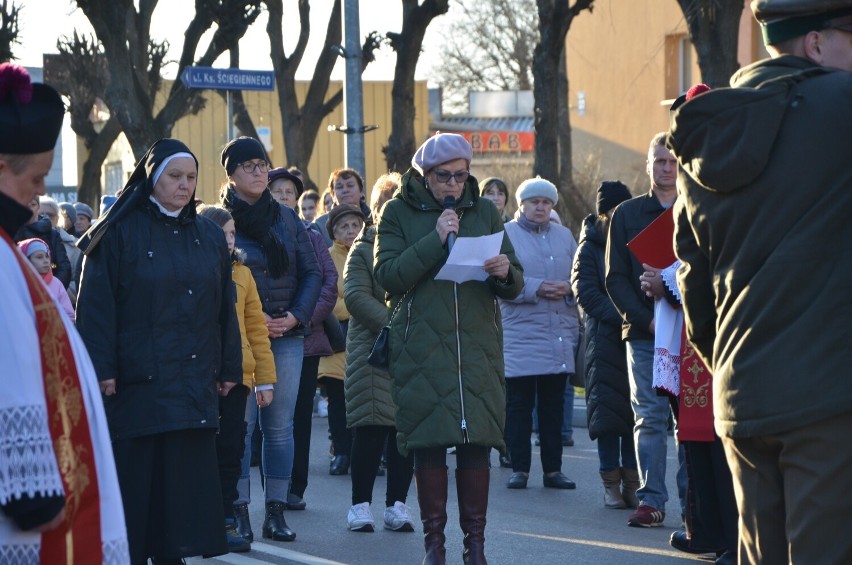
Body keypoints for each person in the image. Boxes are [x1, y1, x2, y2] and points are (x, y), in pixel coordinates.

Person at [668, 2, 852, 562]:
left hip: (742, 394)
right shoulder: (840, 106)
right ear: (816, 44)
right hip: (827, 392)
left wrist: (731, 359)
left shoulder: (709, 128)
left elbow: (693, 285)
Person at [75, 138, 241, 564]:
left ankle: (174, 556)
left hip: (191, 383)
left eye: (191, 177)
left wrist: (228, 367)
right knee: (138, 489)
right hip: (136, 383)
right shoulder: (118, 232)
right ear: (152, 178)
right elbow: (95, 307)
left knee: (182, 494)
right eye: (174, 177)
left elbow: (224, 307)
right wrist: (101, 370)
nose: (184, 186)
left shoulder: (207, 233)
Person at [0, 62, 129, 564]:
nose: (39, 197)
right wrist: (28, 482)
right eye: (34, 179)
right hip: (23, 495)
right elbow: (9, 361)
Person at [374, 132, 523, 564]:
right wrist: (435, 239)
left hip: (477, 347)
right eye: (445, 177)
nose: (454, 186)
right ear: (425, 175)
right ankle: (433, 546)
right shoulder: (396, 213)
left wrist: (502, 271)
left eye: (461, 176)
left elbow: (516, 281)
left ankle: (475, 546)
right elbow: (387, 276)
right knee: (429, 441)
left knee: (478, 443)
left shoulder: (486, 213)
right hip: (421, 348)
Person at [219, 137, 321, 544]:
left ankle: (275, 513)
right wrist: (251, 317)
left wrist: (296, 315)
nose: (259, 172)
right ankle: (239, 511)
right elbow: (216, 276)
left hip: (287, 333)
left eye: (263, 164)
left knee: (279, 427)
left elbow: (312, 273)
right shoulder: (218, 218)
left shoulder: (286, 217)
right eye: (249, 166)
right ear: (230, 173)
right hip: (241, 336)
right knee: (239, 428)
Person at [605, 132, 686, 528]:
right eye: (660, 161)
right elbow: (615, 279)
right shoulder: (626, 214)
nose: (667, 168)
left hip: (692, 335)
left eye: (673, 161)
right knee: (650, 417)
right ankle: (651, 501)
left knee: (691, 420)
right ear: (648, 165)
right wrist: (648, 320)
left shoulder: (696, 210)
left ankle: (695, 504)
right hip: (643, 334)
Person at [197, 204, 278, 554]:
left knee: (232, 450)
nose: (229, 240)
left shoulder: (242, 273)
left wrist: (265, 379)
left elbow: (257, 329)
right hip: (200, 378)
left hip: (239, 376)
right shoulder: (195, 269)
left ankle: (227, 518)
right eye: (222, 233)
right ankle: (201, 520)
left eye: (232, 234)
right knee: (202, 451)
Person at [343, 172, 416, 533]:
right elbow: (355, 296)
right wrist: (396, 324)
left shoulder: (417, 247)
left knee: (405, 433)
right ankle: (360, 505)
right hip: (374, 350)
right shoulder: (361, 247)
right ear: (375, 209)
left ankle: (397, 505)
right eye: (387, 204)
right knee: (370, 430)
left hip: (411, 349)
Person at [264, 167, 339, 511]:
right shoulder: (257, 230)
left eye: (289, 192)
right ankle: (271, 488)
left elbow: (326, 281)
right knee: (266, 419)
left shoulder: (310, 233)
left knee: (298, 419)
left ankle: (296, 486)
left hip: (305, 338)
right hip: (263, 337)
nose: (283, 196)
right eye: (276, 190)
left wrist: (301, 315)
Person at [500, 177, 579, 491]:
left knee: (553, 405)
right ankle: (519, 468)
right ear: (522, 204)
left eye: (546, 203)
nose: (541, 207)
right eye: (535, 202)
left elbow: (579, 274)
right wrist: (535, 287)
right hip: (520, 333)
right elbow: (499, 281)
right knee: (518, 404)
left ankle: (553, 470)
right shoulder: (505, 235)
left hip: (558, 332)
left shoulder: (564, 235)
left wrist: (569, 288)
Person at [572, 180, 638, 510]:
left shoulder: (635, 241)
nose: (619, 215)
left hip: (636, 338)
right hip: (604, 340)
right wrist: (627, 313)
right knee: (608, 417)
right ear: (603, 213)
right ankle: (610, 484)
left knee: (634, 415)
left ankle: (632, 483)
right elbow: (585, 293)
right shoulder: (589, 247)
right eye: (614, 210)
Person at [318, 203, 366, 476]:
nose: (350, 231)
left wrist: (349, 302)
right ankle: (342, 452)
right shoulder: (326, 257)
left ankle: (365, 454)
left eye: (355, 225)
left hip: (365, 339)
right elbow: (326, 301)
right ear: (334, 231)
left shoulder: (372, 253)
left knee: (365, 399)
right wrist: (356, 305)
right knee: (338, 401)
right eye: (344, 226)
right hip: (337, 340)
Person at [15, 194, 73, 288]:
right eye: (25, 205)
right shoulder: (12, 232)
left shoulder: (52, 234)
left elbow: (64, 267)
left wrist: (53, 288)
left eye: (33, 204)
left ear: (38, 207)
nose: (29, 209)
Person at [17, 238, 75, 321]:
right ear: (26, 260)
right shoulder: (19, 283)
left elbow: (69, 315)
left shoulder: (56, 283)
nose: (46, 261)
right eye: (39, 257)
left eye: (47, 256)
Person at [314, 168, 372, 246]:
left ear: (361, 191)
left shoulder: (375, 220)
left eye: (350, 185)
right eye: (339, 187)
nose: (345, 190)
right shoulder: (319, 226)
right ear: (332, 195)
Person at [39, 196, 81, 301]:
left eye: (50, 215)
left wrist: (55, 293)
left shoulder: (75, 245)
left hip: (65, 306)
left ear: (58, 218)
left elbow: (79, 281)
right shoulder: (28, 241)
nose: (46, 218)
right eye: (41, 214)